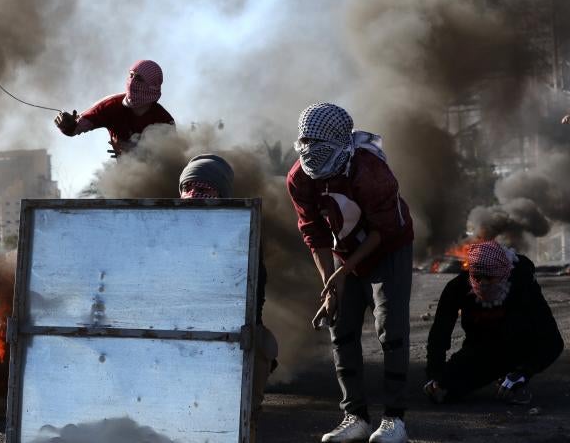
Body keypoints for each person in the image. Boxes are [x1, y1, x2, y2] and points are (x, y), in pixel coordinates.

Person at [286, 103, 414, 443]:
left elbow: (381, 231)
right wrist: (329, 286)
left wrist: (344, 273)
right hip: (344, 253)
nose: (312, 153)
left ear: (341, 143)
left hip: (387, 248)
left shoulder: (369, 170)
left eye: (320, 145)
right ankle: (354, 416)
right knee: (340, 326)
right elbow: (313, 232)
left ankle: (395, 420)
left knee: (391, 328)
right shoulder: (299, 177)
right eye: (306, 144)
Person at [178, 154, 278, 443]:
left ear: (223, 193)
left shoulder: (242, 232)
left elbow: (251, 296)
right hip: (184, 342)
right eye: (190, 186)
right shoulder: (167, 231)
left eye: (205, 188)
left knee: (243, 413)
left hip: (236, 336)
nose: (195, 195)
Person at [424, 241, 564, 405]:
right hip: (480, 349)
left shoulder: (522, 283)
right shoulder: (457, 288)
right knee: (443, 392)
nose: (482, 283)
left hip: (520, 345)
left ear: (503, 273)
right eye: (477, 277)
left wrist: (525, 372)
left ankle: (513, 377)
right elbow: (439, 336)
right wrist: (435, 377)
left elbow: (552, 340)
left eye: (489, 278)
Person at [53, 60, 175, 157]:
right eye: (131, 76)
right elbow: (75, 127)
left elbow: (170, 158)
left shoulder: (164, 120)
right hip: (125, 180)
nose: (132, 82)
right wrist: (66, 125)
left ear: (152, 85)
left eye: (139, 78)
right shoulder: (110, 106)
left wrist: (136, 151)